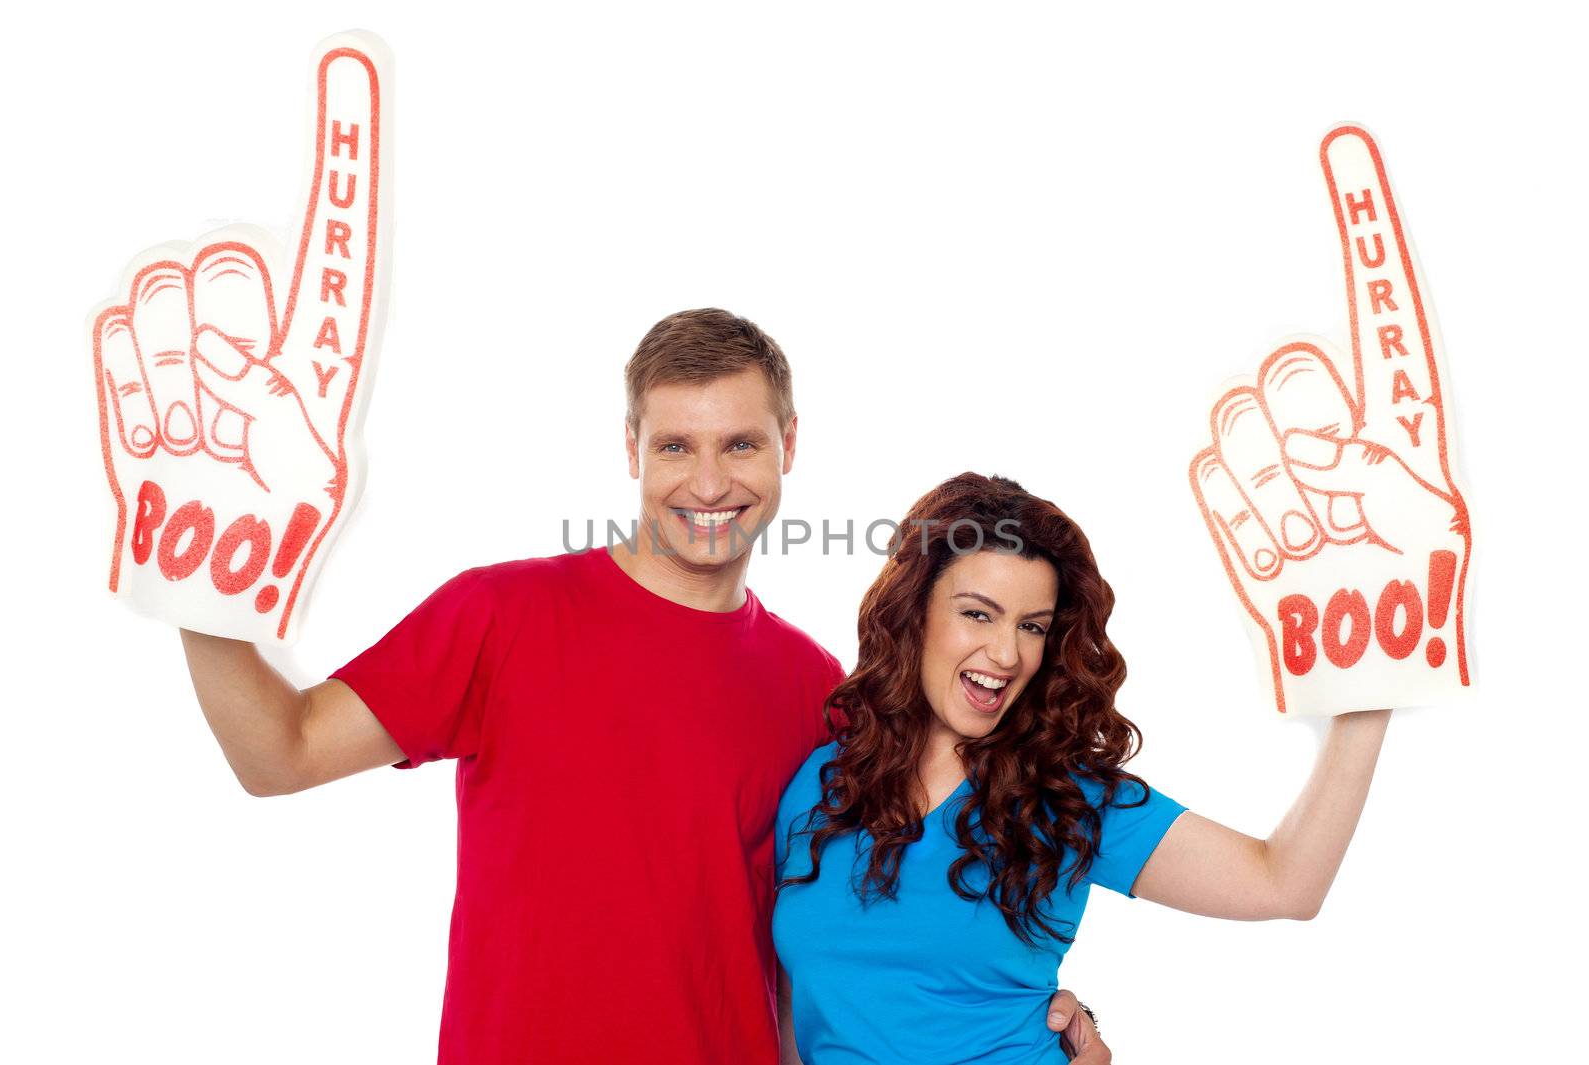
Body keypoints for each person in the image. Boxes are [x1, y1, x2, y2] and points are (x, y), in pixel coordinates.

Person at [177, 311, 1110, 1064]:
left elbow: (848, 940)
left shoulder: (815, 688)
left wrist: (1017, 1013)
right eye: (675, 446)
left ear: (789, 444)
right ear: (631, 448)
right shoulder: (500, 616)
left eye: (741, 444)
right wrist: (193, 574)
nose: (709, 481)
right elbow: (279, 752)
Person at [774, 472, 1391, 1064]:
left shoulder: (1067, 797)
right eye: (978, 614)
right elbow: (794, 1012)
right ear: (916, 614)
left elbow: (1284, 883)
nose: (1007, 653)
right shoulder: (821, 784)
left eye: (1032, 627)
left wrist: (1369, 698)